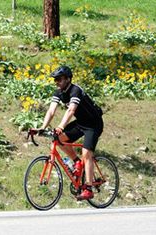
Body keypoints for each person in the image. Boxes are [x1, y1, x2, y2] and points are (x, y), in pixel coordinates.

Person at [36, 65, 104, 200]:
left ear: (68, 79)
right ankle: (77, 162)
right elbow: (51, 111)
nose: (57, 82)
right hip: (81, 123)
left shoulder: (75, 90)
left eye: (59, 79)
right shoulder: (59, 92)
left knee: (86, 153)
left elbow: (71, 111)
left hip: (94, 124)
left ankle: (88, 188)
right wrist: (42, 127)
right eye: (55, 80)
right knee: (58, 139)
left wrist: (61, 126)